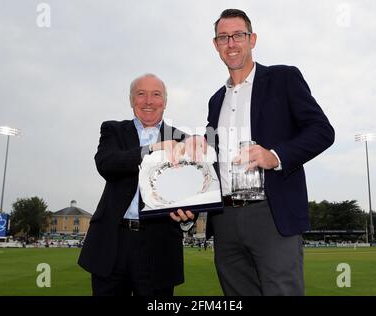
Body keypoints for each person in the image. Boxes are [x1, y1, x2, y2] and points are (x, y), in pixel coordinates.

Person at [181, 9, 335, 295]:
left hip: (271, 213)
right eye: (223, 37)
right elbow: (214, 159)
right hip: (224, 218)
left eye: (238, 35)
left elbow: (322, 131)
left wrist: (274, 156)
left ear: (252, 39)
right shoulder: (216, 100)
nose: (231, 43)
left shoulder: (283, 78)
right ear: (216, 45)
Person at [78, 73, 194, 296]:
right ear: (132, 100)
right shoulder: (113, 130)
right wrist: (152, 150)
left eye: (156, 94)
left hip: (159, 247)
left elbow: (191, 191)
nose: (148, 101)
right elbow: (106, 164)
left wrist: (189, 217)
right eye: (141, 94)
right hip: (113, 243)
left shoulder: (185, 141)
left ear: (165, 101)